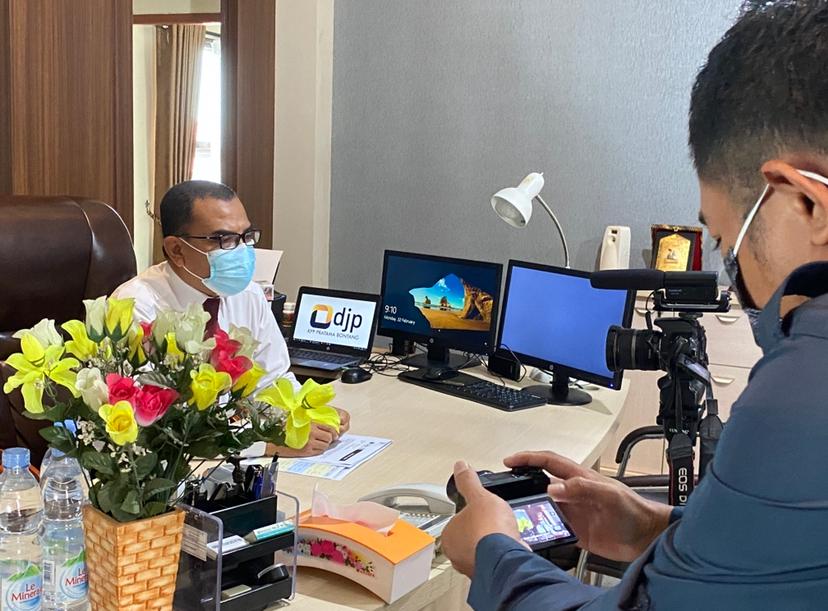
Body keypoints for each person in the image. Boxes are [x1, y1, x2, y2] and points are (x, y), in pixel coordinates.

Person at [442, 1, 828, 608]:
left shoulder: (802, 392)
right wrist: (652, 529)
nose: (736, 277)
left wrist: (494, 553)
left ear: (806, 204)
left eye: (725, 241)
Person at [113, 180, 350, 458]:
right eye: (223, 239)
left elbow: (272, 380)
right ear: (176, 249)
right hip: (169, 467)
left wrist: (306, 412)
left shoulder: (247, 294)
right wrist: (268, 444)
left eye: (246, 236)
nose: (240, 250)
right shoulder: (135, 307)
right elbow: (151, 425)